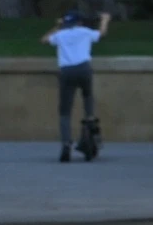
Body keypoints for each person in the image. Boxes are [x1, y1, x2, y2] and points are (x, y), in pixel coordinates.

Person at [41, 11, 110, 162]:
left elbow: (44, 40)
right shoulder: (85, 32)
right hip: (84, 69)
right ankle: (90, 123)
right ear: (79, 22)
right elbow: (101, 34)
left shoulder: (61, 34)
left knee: (65, 111)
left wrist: (57, 27)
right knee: (87, 96)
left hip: (66, 71)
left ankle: (66, 144)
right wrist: (105, 20)